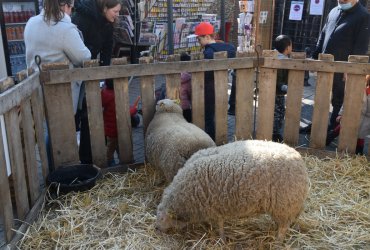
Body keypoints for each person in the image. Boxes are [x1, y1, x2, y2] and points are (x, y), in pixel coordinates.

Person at [24, 0, 91, 168]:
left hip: (38, 89)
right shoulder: (65, 29)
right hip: (62, 93)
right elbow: (84, 57)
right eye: (71, 7)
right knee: (60, 133)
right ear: (66, 6)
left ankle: (52, 169)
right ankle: (61, 170)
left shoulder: (31, 23)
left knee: (51, 130)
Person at [72, 0, 121, 164]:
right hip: (75, 72)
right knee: (74, 117)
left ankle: (87, 159)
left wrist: (105, 74)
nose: (117, 15)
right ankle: (71, 159)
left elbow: (107, 47)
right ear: (105, 8)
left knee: (88, 114)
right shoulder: (82, 18)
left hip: (90, 73)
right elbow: (76, 47)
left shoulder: (107, 24)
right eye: (115, 11)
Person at [312, 0, 370, 131]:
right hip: (324, 64)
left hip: (343, 68)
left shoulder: (363, 16)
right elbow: (323, 34)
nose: (341, 1)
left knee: (339, 99)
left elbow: (361, 46)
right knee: (321, 97)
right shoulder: (333, 11)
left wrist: (351, 68)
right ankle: (316, 126)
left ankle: (333, 129)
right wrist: (315, 56)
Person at [194, 22, 236, 140]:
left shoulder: (208, 52)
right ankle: (221, 136)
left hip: (208, 87)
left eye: (199, 39)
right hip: (222, 87)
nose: (199, 43)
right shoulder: (229, 48)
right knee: (220, 114)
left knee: (208, 116)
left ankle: (211, 139)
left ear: (207, 37)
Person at [326, 75, 370, 154]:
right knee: (345, 125)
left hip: (367, 118)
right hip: (355, 113)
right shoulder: (361, 87)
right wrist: (341, 113)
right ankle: (330, 137)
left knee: (361, 133)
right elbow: (347, 101)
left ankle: (359, 150)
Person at [272, 35, 292, 142]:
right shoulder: (282, 61)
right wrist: (285, 87)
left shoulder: (274, 56)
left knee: (275, 111)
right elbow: (278, 79)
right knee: (278, 113)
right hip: (278, 92)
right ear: (288, 47)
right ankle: (275, 134)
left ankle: (274, 132)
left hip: (272, 91)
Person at [179, 52, 192, 122]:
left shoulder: (175, 75)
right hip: (185, 107)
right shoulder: (189, 78)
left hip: (175, 106)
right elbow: (190, 93)